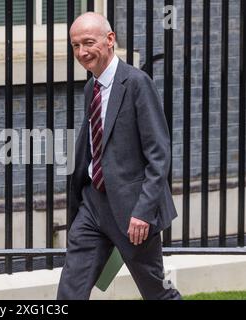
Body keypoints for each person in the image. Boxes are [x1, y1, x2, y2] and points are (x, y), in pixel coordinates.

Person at [57, 12, 182, 300]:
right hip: (92, 206)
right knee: (70, 292)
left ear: (110, 40)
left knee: (156, 292)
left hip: (132, 211)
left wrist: (143, 211)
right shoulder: (92, 87)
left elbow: (158, 154)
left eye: (88, 42)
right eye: (75, 45)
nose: (82, 52)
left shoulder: (138, 83)